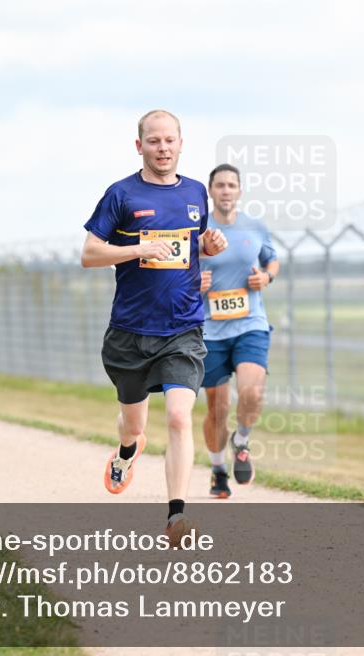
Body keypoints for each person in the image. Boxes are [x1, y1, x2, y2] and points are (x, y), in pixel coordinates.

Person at [81, 110, 227, 543]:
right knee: (134, 425)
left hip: (182, 329)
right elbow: (90, 253)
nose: (163, 148)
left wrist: (209, 246)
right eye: (154, 141)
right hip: (130, 332)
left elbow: (193, 247)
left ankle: (176, 516)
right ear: (139, 145)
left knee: (180, 417)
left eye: (169, 140)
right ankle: (128, 449)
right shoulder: (121, 194)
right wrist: (137, 249)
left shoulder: (196, 192)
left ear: (181, 143)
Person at [199, 164, 279, 498]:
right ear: (210, 190)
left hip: (250, 324)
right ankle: (218, 469)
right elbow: (176, 271)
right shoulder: (198, 230)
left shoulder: (254, 226)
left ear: (240, 191)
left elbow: (272, 259)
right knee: (217, 409)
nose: (226, 190)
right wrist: (192, 283)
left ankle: (241, 440)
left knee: (251, 392)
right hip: (210, 330)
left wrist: (266, 277)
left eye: (232, 185)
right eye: (220, 185)